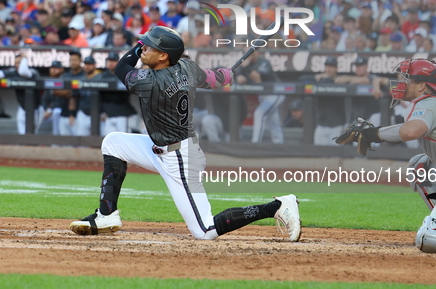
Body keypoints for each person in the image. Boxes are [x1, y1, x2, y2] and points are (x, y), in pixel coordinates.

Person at [69, 26, 300, 241]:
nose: (143, 48)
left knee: (205, 230)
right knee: (113, 142)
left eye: (149, 46)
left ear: (163, 57)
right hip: (158, 147)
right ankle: (106, 214)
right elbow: (212, 79)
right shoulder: (187, 67)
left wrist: (137, 47)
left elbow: (121, 68)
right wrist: (226, 75)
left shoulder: (151, 80)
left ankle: (277, 206)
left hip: (179, 158)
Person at [347, 59, 436, 253]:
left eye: (407, 78)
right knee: (419, 165)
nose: (401, 82)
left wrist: (374, 134)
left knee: (430, 237)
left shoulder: (427, 103)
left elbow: (410, 132)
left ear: (422, 85)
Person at [0, 54, 44, 135]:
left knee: (32, 133)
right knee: (22, 134)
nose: (17, 65)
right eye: (16, 63)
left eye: (19, 62)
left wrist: (25, 59)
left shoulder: (32, 72)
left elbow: (23, 71)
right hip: (22, 108)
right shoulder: (13, 72)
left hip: (35, 109)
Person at [234, 51, 285, 144]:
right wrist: (239, 76)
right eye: (245, 53)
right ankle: (279, 143)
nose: (248, 56)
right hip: (263, 95)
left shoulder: (263, 62)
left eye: (250, 53)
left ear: (256, 53)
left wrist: (246, 67)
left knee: (259, 113)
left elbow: (257, 78)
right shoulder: (244, 64)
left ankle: (255, 143)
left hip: (275, 93)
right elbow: (238, 74)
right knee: (273, 121)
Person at [90, 52, 136, 136]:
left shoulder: (123, 74)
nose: (111, 63)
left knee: (123, 139)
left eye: (113, 61)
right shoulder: (103, 76)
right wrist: (102, 112)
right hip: (108, 114)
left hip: (122, 113)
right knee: (109, 139)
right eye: (109, 60)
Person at [313, 57, 346, 145]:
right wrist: (317, 77)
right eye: (327, 66)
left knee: (335, 156)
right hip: (321, 125)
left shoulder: (341, 81)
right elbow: (302, 80)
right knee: (319, 156)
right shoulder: (319, 80)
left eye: (332, 66)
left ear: (336, 68)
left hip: (337, 125)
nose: (329, 69)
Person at [41, 61, 65, 136]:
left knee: (56, 112)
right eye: (52, 68)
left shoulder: (64, 79)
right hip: (50, 111)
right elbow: (45, 99)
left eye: (56, 68)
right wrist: (44, 110)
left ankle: (56, 138)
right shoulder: (49, 80)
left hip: (62, 111)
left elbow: (62, 101)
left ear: (61, 70)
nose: (53, 70)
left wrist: (50, 110)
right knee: (36, 113)